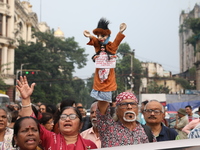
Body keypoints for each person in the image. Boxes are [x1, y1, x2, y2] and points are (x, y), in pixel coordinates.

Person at [16, 76, 97, 150]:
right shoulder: (50, 138)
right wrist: (26, 99)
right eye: (63, 117)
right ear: (58, 122)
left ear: (80, 124)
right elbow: (30, 122)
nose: (67, 119)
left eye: (72, 116)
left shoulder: (89, 145)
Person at [83, 18, 126, 103]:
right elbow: (95, 41)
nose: (100, 38)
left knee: (105, 101)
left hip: (108, 78)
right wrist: (90, 36)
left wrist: (121, 32)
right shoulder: (98, 46)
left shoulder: (111, 46)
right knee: (99, 101)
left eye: (102, 36)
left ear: (108, 35)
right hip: (99, 78)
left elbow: (117, 41)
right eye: (98, 36)